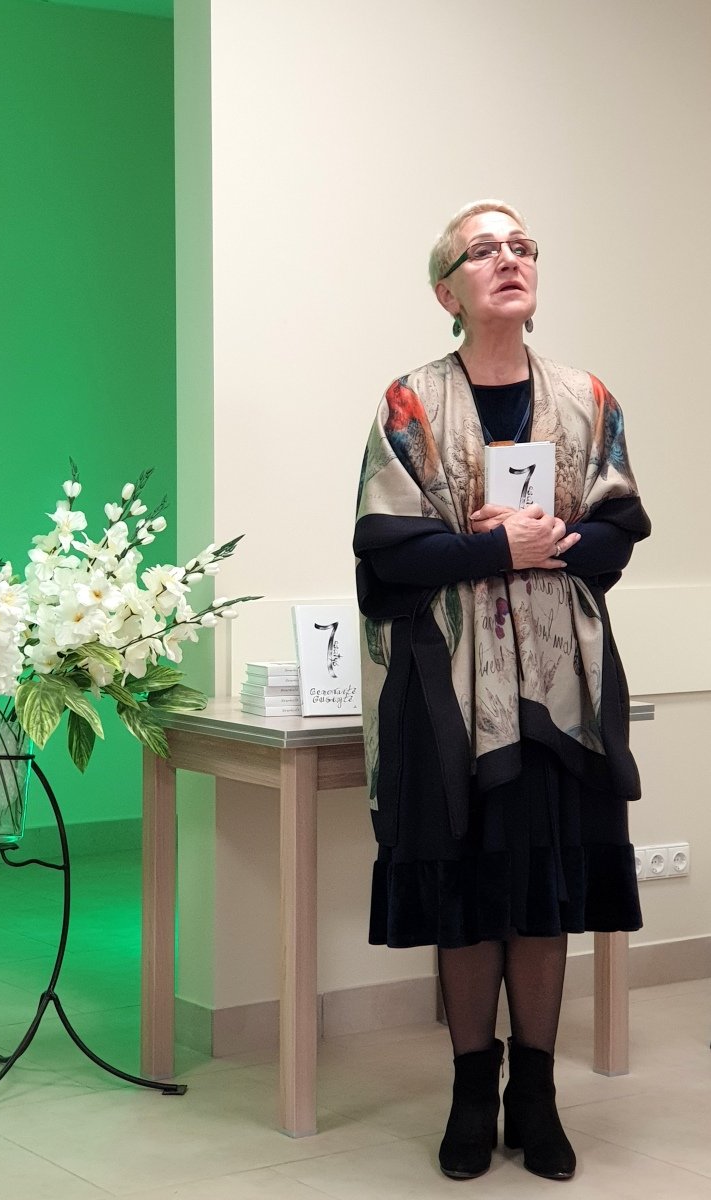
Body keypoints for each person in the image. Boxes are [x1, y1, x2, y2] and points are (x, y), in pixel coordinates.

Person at [353, 200, 650, 1182]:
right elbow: (388, 556)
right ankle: (470, 1090)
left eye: (520, 245)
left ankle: (537, 1094)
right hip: (445, 692)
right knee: (467, 893)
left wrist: (544, 540)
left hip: (559, 692)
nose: (508, 259)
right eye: (482, 250)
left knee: (539, 894)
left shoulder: (585, 397)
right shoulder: (408, 403)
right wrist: (493, 548)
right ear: (447, 292)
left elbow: (615, 536)